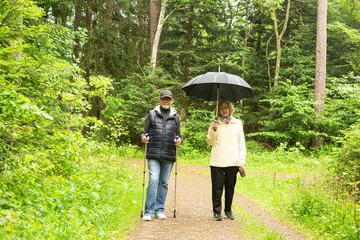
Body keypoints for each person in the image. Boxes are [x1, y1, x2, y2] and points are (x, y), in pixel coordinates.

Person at [141, 90, 182, 221]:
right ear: (159, 100)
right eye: (164, 99)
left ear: (172, 101)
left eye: (168, 99)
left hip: (169, 154)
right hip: (153, 152)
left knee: (163, 182)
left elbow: (179, 135)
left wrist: (179, 140)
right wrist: (144, 138)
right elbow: (144, 132)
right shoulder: (152, 114)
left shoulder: (175, 116)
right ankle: (148, 211)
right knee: (153, 180)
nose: (166, 101)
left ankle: (159, 210)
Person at [206, 100, 246, 221]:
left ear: (230, 109)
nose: (224, 110)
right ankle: (216, 212)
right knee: (217, 188)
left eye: (226, 108)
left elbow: (242, 144)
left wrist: (241, 161)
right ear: (218, 111)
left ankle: (228, 210)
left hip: (233, 161)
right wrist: (214, 130)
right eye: (221, 108)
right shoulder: (215, 123)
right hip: (217, 161)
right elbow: (210, 142)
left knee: (230, 187)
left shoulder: (237, 123)